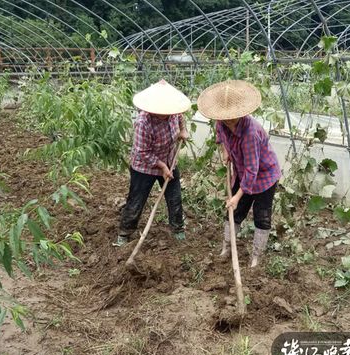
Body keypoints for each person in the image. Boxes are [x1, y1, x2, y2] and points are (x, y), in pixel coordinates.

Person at [197, 80, 281, 267]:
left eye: (231, 117)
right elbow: (220, 136)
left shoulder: (250, 133)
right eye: (224, 117)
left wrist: (237, 196)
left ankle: (256, 258)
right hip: (242, 172)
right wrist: (226, 152)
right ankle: (227, 247)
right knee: (234, 212)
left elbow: (252, 170)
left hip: (264, 177)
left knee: (261, 215)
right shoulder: (221, 122)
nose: (227, 120)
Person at [114, 80, 191, 247]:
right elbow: (142, 152)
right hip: (145, 167)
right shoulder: (144, 122)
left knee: (174, 197)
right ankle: (125, 232)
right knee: (137, 199)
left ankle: (178, 228)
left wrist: (183, 130)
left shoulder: (173, 112)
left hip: (170, 161)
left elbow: (180, 117)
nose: (167, 114)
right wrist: (161, 166)